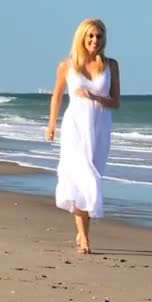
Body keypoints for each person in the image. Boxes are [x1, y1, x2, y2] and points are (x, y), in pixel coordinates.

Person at [45, 18, 120, 254]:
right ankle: (85, 239)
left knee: (93, 180)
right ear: (82, 37)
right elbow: (56, 96)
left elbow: (116, 102)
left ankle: (82, 228)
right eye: (90, 36)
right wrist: (51, 124)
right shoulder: (66, 66)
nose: (94, 41)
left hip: (99, 130)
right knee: (81, 179)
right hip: (75, 129)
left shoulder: (111, 65)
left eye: (98, 36)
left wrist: (94, 97)